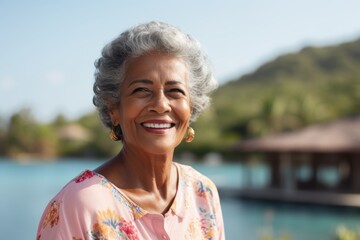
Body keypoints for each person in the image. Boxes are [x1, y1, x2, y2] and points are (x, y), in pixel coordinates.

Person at [36, 21, 225, 240]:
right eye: (142, 90)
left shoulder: (202, 192)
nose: (161, 104)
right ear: (114, 108)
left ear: (191, 108)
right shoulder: (79, 205)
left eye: (175, 91)